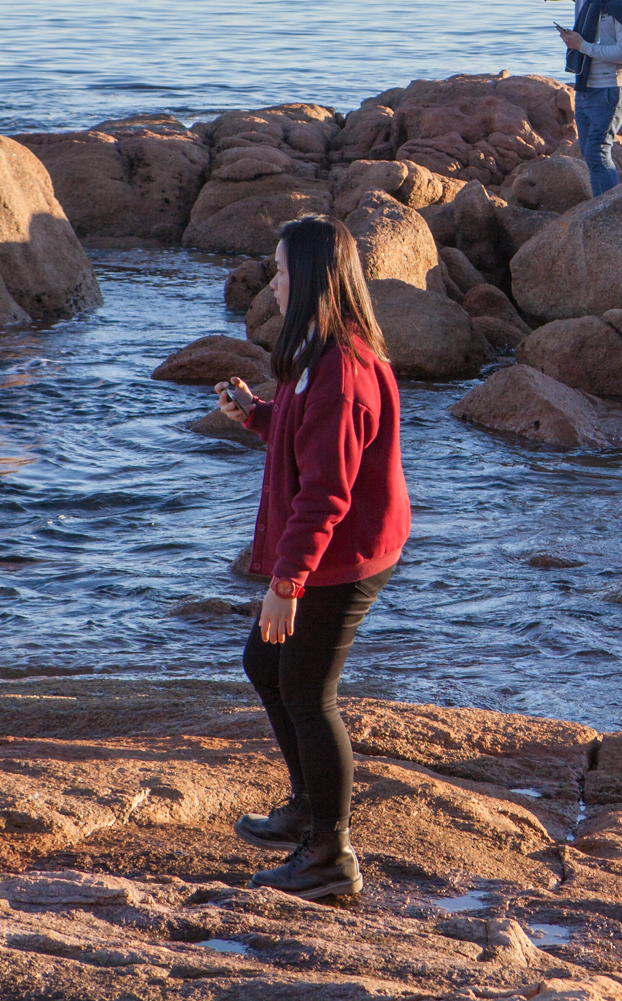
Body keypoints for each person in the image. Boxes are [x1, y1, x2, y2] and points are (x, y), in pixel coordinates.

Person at [214, 216, 409, 902]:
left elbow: (327, 490)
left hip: (343, 557)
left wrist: (286, 583)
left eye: (283, 271)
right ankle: (305, 808)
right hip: (336, 547)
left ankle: (330, 853)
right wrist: (257, 416)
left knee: (306, 693)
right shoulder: (320, 356)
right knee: (264, 664)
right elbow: (310, 439)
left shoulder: (343, 371)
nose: (274, 282)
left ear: (312, 281)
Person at [460, 0, 622, 195]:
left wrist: (584, 46)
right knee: (590, 152)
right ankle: (604, 205)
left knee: (597, 152)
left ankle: (611, 210)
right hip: (584, 87)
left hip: (610, 91)